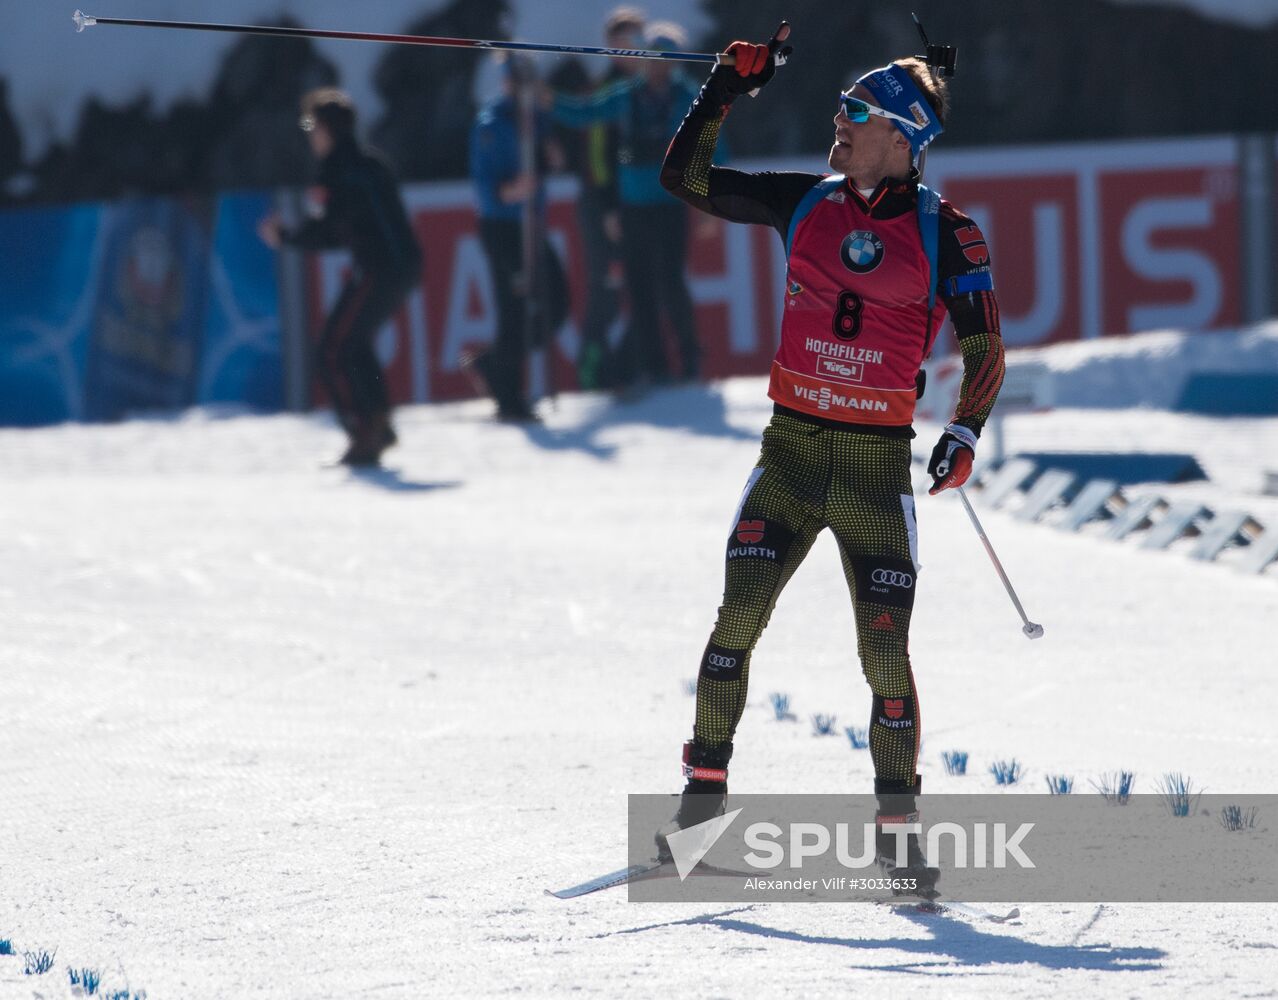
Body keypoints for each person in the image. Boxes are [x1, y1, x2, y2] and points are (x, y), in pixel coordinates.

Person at [654, 26, 1006, 897]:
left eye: (858, 112)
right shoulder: (804, 201)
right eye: (842, 108)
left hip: (875, 475)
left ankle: (898, 838)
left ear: (903, 136)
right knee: (736, 623)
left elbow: (986, 344)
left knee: (885, 660)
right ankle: (700, 809)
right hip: (793, 458)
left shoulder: (948, 233)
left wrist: (963, 431)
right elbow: (684, 180)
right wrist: (725, 89)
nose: (838, 122)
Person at [258, 88, 421, 466]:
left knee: (333, 348)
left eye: (311, 126)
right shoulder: (367, 162)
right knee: (352, 344)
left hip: (382, 267)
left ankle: (364, 432)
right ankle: (377, 422)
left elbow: (330, 230)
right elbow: (342, 226)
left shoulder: (339, 170)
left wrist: (285, 236)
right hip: (398, 264)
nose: (309, 135)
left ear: (327, 129)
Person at [552, 22, 705, 390]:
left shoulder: (689, 97)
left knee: (670, 282)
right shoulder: (625, 94)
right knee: (639, 287)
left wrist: (706, 202)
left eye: (665, 61)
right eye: (652, 60)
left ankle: (690, 360)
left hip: (671, 204)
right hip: (632, 207)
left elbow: (711, 146)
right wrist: (550, 101)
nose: (658, 69)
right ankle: (655, 367)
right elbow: (584, 113)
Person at [467, 56, 570, 423]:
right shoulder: (491, 124)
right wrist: (508, 191)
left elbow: (546, 160)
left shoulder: (537, 120)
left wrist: (550, 157)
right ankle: (509, 395)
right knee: (513, 308)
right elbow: (485, 183)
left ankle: (494, 363)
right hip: (503, 227)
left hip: (531, 224)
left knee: (556, 304)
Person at [558, 6, 646, 390]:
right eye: (623, 43)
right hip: (603, 206)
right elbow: (597, 158)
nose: (631, 50)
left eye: (636, 42)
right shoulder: (606, 91)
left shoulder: (647, 89)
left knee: (644, 286)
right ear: (611, 48)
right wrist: (609, 207)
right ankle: (593, 372)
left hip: (636, 205)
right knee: (606, 290)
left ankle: (626, 368)